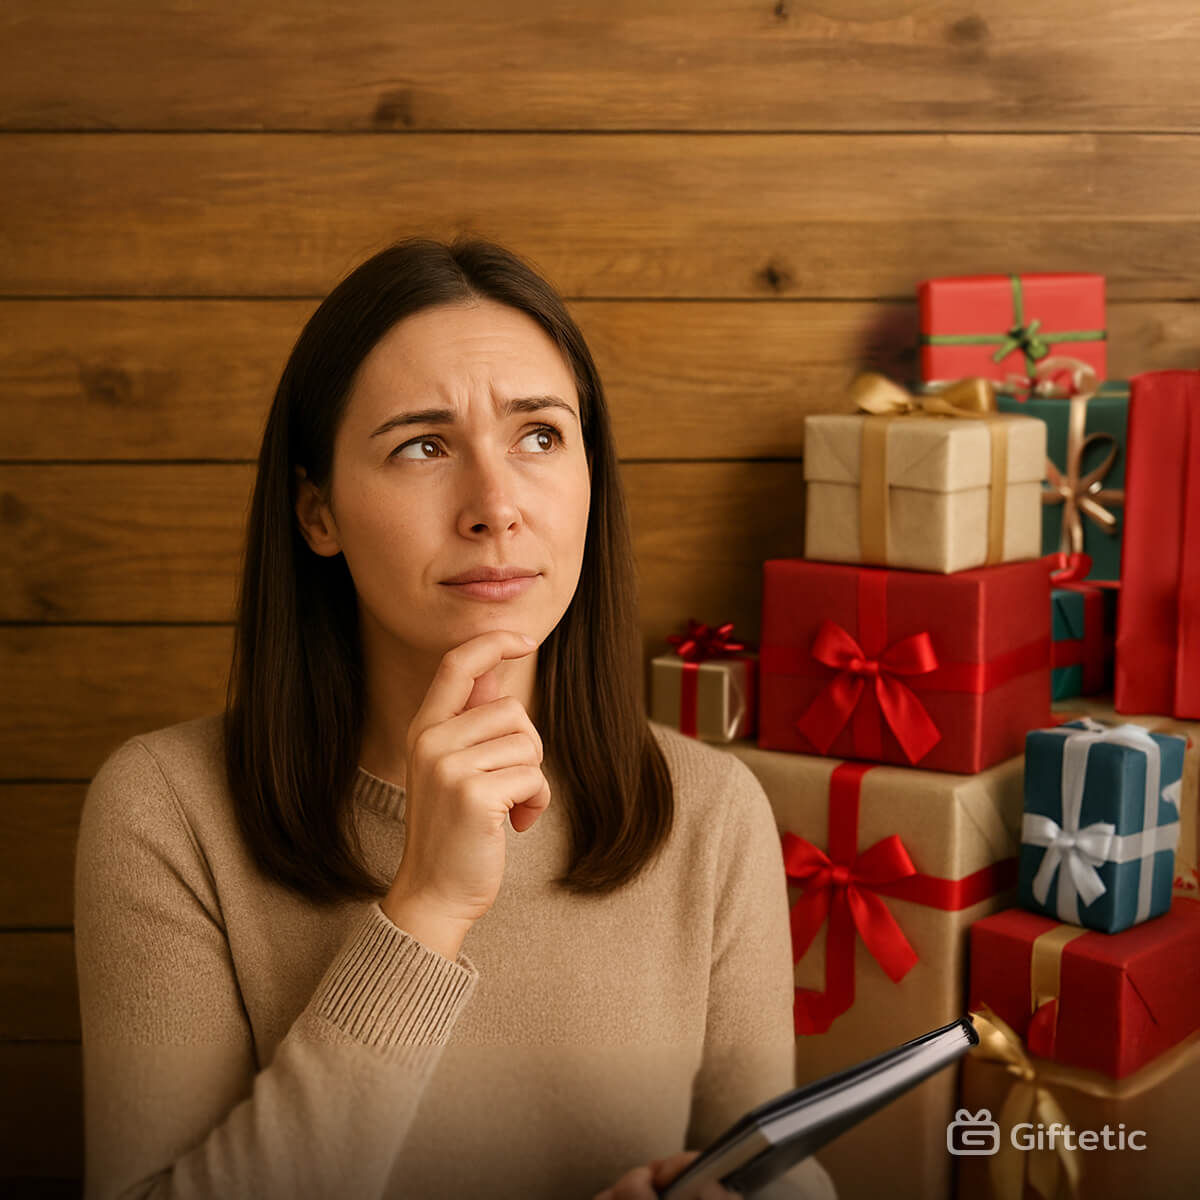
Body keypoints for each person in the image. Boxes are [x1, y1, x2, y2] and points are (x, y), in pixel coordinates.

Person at [73, 236, 838, 1200]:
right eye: (424, 446)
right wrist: (426, 910)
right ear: (318, 514)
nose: (496, 505)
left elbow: (768, 1166)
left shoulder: (711, 809)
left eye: (540, 436)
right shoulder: (167, 812)